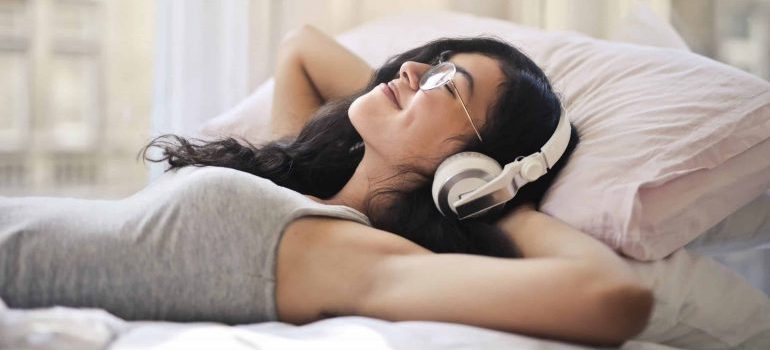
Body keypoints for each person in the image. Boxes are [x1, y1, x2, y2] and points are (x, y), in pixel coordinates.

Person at [0, 25, 652, 347]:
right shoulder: (305, 184)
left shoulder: (345, 258)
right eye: (435, 63)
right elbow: (304, 51)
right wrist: (413, 93)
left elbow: (616, 297)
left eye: (448, 85)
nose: (415, 68)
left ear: (475, 166)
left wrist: (490, 196)